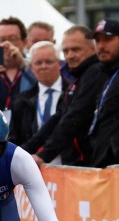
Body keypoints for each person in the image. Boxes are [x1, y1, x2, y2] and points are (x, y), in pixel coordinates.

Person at [24, 25, 99, 168]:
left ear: (92, 49)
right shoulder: (78, 79)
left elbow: (74, 118)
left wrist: (43, 155)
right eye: (66, 51)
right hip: (77, 166)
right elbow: (57, 119)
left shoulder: (95, 73)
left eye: (76, 49)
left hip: (90, 166)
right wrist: (20, 153)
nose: (70, 55)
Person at [8, 41, 67, 149]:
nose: (43, 67)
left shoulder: (73, 93)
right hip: (33, 162)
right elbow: (14, 139)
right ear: (31, 67)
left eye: (48, 62)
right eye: (38, 63)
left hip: (68, 163)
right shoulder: (21, 101)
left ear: (59, 64)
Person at [86, 19, 119, 168]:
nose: (101, 46)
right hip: (105, 168)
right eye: (97, 40)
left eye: (108, 39)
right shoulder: (107, 73)